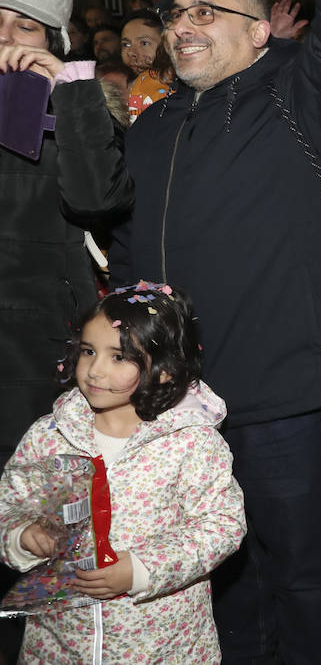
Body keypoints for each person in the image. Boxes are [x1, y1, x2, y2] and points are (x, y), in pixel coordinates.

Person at [108, 0, 321, 662]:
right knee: (219, 574)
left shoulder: (299, 95)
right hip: (175, 399)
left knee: (299, 571)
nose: (182, 24)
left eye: (207, 11)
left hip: (275, 392)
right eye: (175, 12)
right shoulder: (151, 126)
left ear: (260, 30)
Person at [0, 284, 246, 662]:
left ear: (164, 371)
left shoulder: (190, 443)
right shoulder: (50, 435)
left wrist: (143, 568)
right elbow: (10, 503)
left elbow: (222, 524)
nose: (95, 370)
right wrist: (22, 535)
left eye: (119, 357)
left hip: (160, 645)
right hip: (60, 644)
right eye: (88, 351)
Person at [0, 0, 135, 469]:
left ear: (53, 42)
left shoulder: (78, 107)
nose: (6, 36)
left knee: (41, 501)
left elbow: (97, 202)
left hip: (41, 339)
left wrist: (71, 93)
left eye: (25, 25)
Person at [119, 9, 175, 121]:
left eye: (144, 43)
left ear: (167, 44)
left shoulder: (180, 86)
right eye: (126, 44)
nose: (131, 52)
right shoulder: (118, 83)